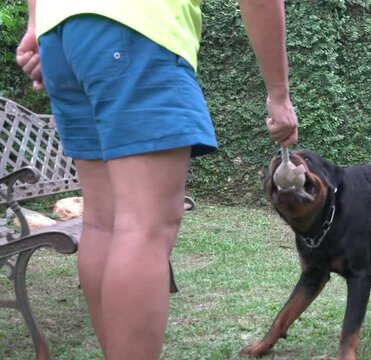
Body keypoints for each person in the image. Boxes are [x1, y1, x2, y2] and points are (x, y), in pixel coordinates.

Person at [16, 1, 298, 359]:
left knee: (104, 224)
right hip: (137, 28)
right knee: (141, 226)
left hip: (61, 36)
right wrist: (278, 95)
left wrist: (36, 24)